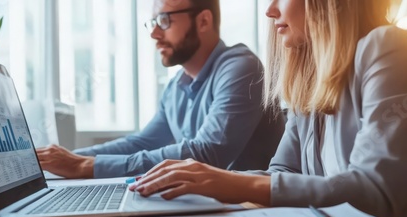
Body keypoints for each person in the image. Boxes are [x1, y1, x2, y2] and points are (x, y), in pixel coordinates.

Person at [130, 0, 407, 217]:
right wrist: (207, 183)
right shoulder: (309, 81)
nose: (270, 10)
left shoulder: (386, 48)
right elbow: (282, 172)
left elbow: (373, 191)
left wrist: (228, 182)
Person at [36, 0, 285, 179]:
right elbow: (141, 142)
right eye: (153, 22)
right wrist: (69, 158)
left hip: (252, 209)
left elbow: (207, 153)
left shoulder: (241, 67)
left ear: (204, 20)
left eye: (164, 20)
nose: (154, 33)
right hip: (214, 205)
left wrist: (85, 166)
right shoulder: (176, 86)